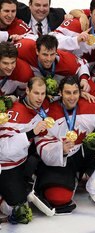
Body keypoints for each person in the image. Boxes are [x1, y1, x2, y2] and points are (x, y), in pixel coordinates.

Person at [34, 76, 95, 214]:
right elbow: (41, 142)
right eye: (68, 93)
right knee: (57, 198)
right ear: (60, 93)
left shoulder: (91, 104)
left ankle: (90, 174)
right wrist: (60, 150)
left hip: (85, 153)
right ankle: (74, 176)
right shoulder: (48, 112)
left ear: (80, 92)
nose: (72, 97)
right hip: (62, 159)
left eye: (75, 92)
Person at [0, 77, 49, 221]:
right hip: (5, 165)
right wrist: (31, 133)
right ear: (27, 91)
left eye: (43, 93)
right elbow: (4, 150)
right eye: (36, 93)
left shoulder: (39, 107)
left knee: (37, 159)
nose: (40, 98)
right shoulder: (11, 113)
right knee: (17, 209)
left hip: (22, 161)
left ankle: (24, 183)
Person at [50, 0, 95, 65]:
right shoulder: (76, 23)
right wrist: (76, 40)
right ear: (90, 13)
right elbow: (51, 39)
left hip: (93, 73)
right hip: (69, 70)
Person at [14, 35, 91, 93]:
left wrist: (84, 79)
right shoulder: (24, 47)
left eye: (52, 54)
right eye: (44, 54)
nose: (49, 59)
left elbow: (82, 63)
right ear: (37, 51)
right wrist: (12, 38)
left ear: (56, 51)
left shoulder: (67, 61)